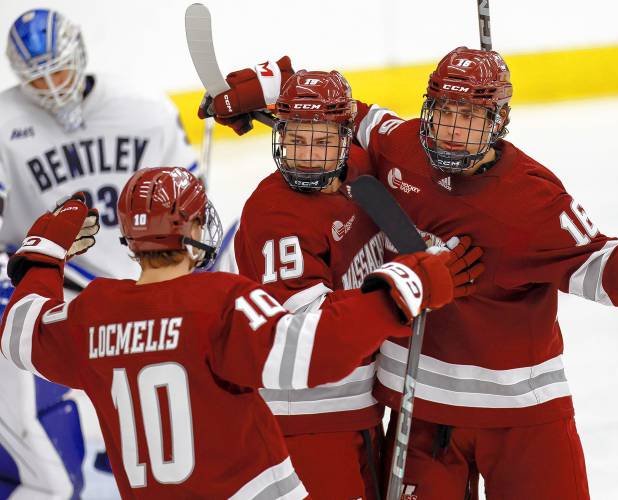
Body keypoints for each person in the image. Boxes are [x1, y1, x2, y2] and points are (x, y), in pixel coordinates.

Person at [205, 46, 618, 499]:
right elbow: (345, 112)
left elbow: (599, 267)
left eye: (471, 118)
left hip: (519, 418)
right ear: (427, 110)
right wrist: (274, 87)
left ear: (499, 121)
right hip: (416, 411)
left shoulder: (534, 197)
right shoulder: (399, 148)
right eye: (444, 114)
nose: (453, 131)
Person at [0, 165, 467, 498]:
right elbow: (313, 353)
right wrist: (403, 289)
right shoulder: (219, 301)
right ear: (196, 227)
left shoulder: (94, 314)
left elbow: (19, 334)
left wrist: (44, 254)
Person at [201, 67, 484, 499]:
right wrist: (408, 290)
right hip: (305, 421)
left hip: (357, 409)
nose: (307, 157)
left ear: (347, 138)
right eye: (295, 140)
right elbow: (317, 334)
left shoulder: (358, 170)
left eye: (321, 142)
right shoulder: (276, 215)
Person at [0, 8, 198, 498]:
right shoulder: (4, 121)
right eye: (37, 81)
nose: (52, 88)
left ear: (79, 55)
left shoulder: (143, 108)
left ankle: (144, 447)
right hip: (47, 273)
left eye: (59, 71)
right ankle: (40, 460)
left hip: (141, 267)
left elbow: (191, 194)